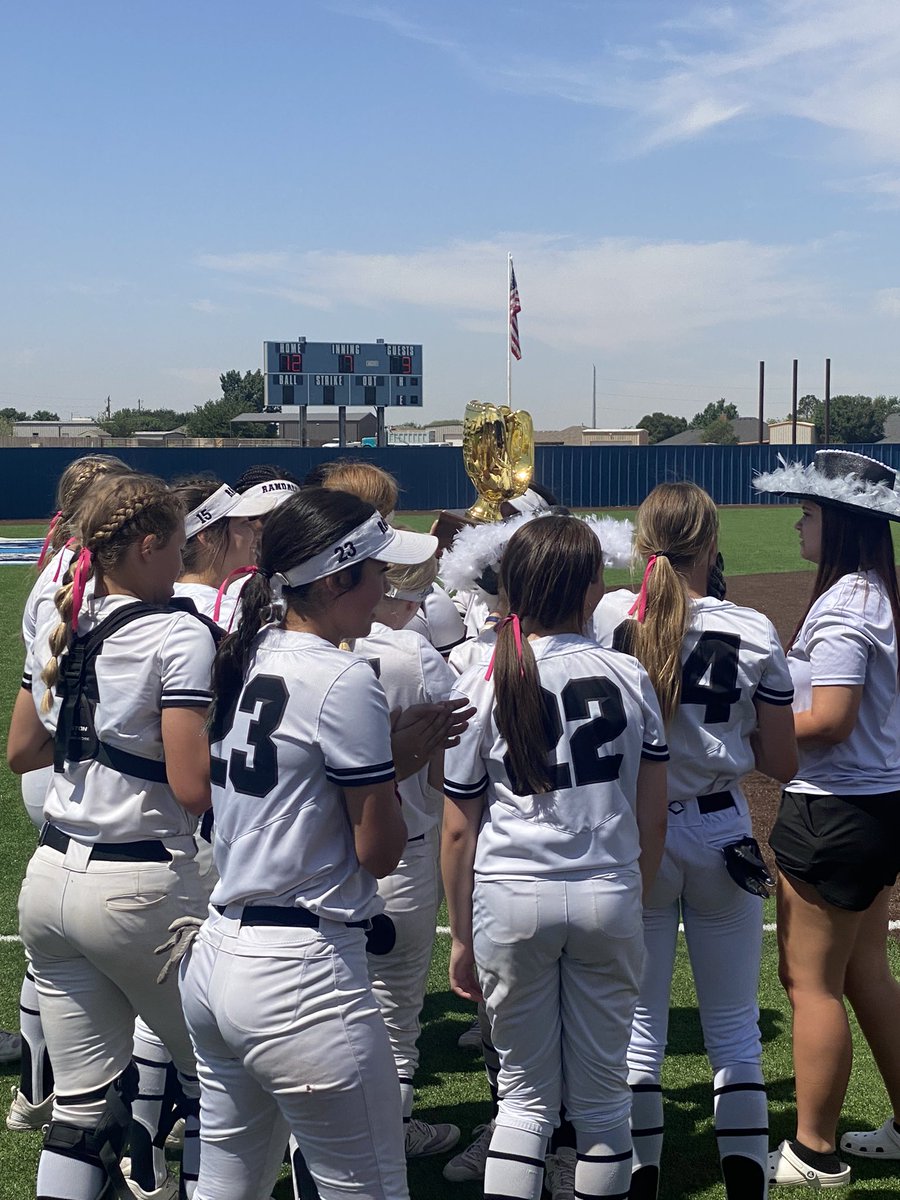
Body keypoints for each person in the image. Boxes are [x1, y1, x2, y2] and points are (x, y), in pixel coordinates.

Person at [177, 488, 471, 1200]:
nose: (385, 587)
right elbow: (379, 851)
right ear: (336, 578)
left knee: (226, 1185)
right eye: (373, 570)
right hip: (300, 972)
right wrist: (394, 776)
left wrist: (384, 762)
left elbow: (287, 795)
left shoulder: (250, 653)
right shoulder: (344, 676)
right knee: (365, 1186)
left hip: (218, 960)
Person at [442, 513, 669, 1200]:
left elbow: (459, 829)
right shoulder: (630, 674)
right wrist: (634, 890)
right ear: (591, 586)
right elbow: (651, 812)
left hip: (511, 898)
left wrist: (459, 935)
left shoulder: (481, 677)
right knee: (601, 1104)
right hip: (606, 891)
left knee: (523, 1103)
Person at [7, 471, 217, 1200]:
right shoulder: (178, 629)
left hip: (50, 881)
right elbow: (192, 786)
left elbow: (22, 752)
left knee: (79, 1110)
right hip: (140, 888)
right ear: (151, 546)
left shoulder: (65, 611)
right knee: (219, 1083)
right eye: (179, 548)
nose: (185, 562)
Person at [590, 481, 797, 1200]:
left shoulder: (611, 616)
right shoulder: (754, 628)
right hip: (720, 830)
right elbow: (783, 762)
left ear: (642, 547)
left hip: (632, 834)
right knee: (736, 1031)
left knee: (638, 1032)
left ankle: (640, 1184)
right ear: (712, 546)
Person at [753, 450, 900, 1188]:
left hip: (835, 811)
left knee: (809, 982)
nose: (798, 524)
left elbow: (832, 718)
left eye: (808, 513)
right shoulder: (877, 594)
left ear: (838, 521)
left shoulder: (846, 603)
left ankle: (814, 1150)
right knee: (866, 972)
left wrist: (752, 735)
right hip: (872, 808)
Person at [10, 453, 133, 1137]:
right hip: (87, 769)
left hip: (50, 767)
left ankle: (36, 1094)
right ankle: (142, 1110)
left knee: (56, 957)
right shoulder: (100, 584)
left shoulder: (58, 575)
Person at [348, 552, 461, 1160]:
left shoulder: (280, 646)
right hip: (404, 848)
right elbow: (448, 774)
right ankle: (391, 1129)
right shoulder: (415, 657)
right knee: (395, 1008)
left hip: (315, 854)